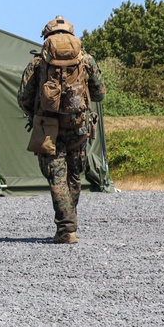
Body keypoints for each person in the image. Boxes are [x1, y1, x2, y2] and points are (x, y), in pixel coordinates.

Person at [18, 16, 105, 244]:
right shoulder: (86, 60)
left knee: (57, 177)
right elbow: (100, 94)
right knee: (74, 176)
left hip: (48, 128)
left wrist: (38, 111)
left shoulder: (39, 63)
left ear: (47, 37)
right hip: (78, 126)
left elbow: (23, 97)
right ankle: (69, 224)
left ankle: (66, 229)